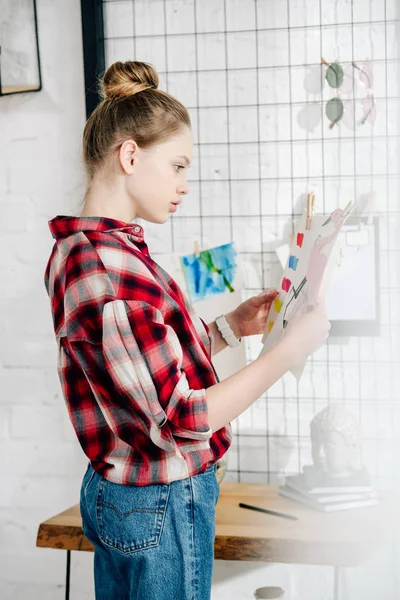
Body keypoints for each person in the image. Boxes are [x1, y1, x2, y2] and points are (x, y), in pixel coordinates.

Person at [44, 61, 331, 600]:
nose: (184, 185)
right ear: (130, 156)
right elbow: (181, 418)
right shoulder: (113, 273)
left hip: (120, 491)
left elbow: (134, 370)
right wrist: (287, 350)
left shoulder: (83, 253)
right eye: (177, 166)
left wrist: (226, 328)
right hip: (161, 502)